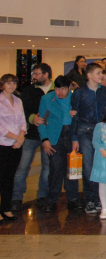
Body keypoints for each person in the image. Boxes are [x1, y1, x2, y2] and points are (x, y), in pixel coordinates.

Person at [11, 63, 53, 212]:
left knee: (47, 167)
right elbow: (22, 111)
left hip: (49, 135)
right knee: (23, 166)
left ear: (46, 74)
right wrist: (31, 118)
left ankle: (43, 195)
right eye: (33, 74)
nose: (34, 77)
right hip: (31, 135)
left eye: (36, 74)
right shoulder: (28, 91)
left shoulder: (57, 90)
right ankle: (16, 197)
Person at [71, 62, 106, 215]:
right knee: (88, 166)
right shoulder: (79, 93)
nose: (102, 76)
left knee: (100, 165)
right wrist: (74, 137)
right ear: (89, 75)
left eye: (102, 73)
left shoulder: (104, 91)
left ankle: (100, 197)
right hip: (84, 131)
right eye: (98, 73)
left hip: (101, 132)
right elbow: (75, 116)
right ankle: (90, 199)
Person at [38, 76, 80, 212]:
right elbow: (42, 121)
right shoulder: (47, 99)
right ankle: (52, 199)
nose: (60, 92)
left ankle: (73, 199)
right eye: (57, 88)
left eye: (63, 89)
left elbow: (80, 120)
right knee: (56, 169)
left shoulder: (75, 99)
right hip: (54, 137)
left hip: (71, 135)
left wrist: (76, 139)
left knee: (72, 168)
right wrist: (44, 139)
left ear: (69, 88)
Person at [0, 74, 26, 223]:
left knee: (10, 177)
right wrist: (15, 137)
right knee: (1, 177)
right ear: (2, 84)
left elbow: (23, 121)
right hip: (3, 143)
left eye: (14, 83)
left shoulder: (18, 101)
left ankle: (6, 208)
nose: (11, 85)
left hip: (17, 144)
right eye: (8, 83)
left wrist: (21, 137)